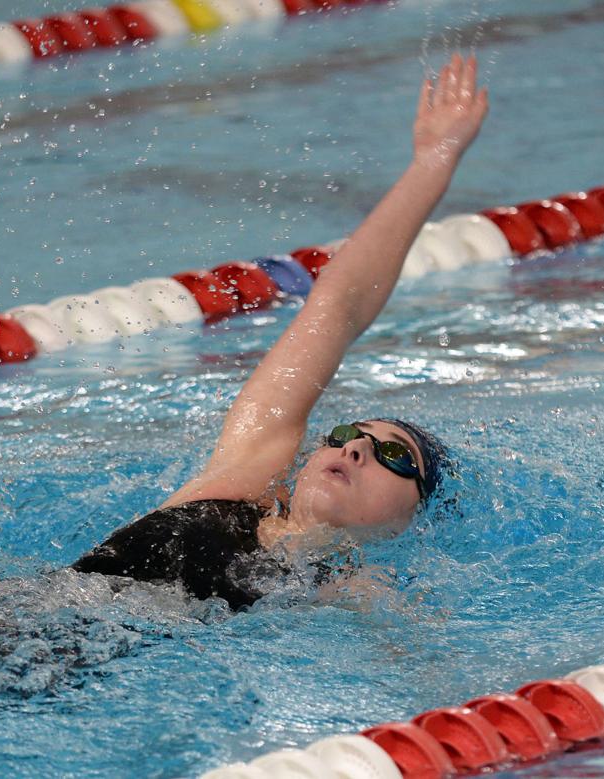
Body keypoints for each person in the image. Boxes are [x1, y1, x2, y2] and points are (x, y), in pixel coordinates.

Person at [72, 53, 489, 610]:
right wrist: (432, 161)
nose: (359, 448)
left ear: (412, 521)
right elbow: (337, 305)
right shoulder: (238, 483)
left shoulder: (351, 592)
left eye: (394, 456)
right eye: (344, 434)